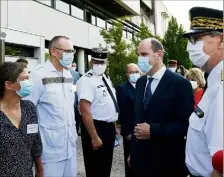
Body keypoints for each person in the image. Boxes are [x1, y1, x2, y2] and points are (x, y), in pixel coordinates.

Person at [129, 38, 194, 177]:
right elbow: (138, 119)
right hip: (141, 161)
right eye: (138, 54)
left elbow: (185, 124)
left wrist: (154, 130)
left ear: (158, 54)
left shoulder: (179, 84)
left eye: (144, 54)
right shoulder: (140, 83)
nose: (140, 59)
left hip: (167, 162)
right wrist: (133, 152)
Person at [26, 36, 77, 177]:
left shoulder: (68, 74)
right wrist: (33, 152)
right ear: (53, 51)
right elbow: (27, 112)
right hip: (49, 152)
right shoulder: (38, 75)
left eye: (72, 51)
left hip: (70, 148)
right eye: (68, 51)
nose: (71, 55)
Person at [182, 7, 223, 177]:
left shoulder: (220, 88)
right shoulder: (212, 82)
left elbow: (220, 164)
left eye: (197, 39)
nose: (190, 47)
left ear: (221, 40)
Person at [76, 47, 119, 177]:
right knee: (95, 168)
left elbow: (109, 103)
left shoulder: (105, 78)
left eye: (102, 62)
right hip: (95, 127)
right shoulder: (86, 80)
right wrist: (94, 136)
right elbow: (84, 109)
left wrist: (114, 125)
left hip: (108, 127)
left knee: (105, 167)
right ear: (91, 62)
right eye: (96, 62)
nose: (99, 65)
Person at [0, 62, 43, 177]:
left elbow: (36, 145)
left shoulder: (29, 107)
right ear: (9, 85)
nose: (30, 82)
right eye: (25, 79)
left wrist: (40, 171)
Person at [117, 63, 140, 177]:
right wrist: (127, 132)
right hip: (130, 131)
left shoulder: (143, 85)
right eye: (131, 72)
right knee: (130, 161)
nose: (134, 74)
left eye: (136, 72)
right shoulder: (123, 88)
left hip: (142, 130)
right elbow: (123, 112)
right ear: (127, 74)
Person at [70, 62, 81, 135]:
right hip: (71, 100)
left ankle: (76, 130)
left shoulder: (77, 74)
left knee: (77, 117)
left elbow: (78, 88)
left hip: (75, 100)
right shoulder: (71, 73)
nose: (73, 67)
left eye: (75, 65)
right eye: (72, 65)